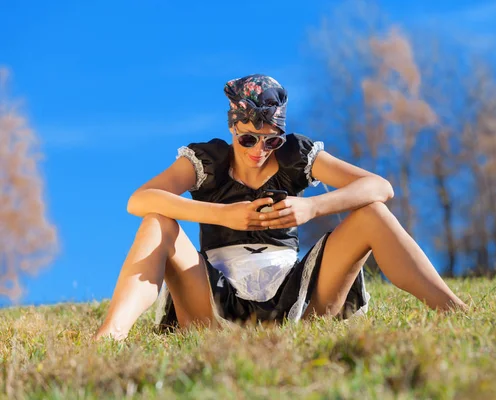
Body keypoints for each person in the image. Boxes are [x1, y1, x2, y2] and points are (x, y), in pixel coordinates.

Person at [93, 74, 466, 341]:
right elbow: (138, 200)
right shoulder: (205, 160)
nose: (259, 150)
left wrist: (313, 207)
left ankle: (453, 311)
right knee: (157, 222)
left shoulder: (296, 157)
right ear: (232, 130)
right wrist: (223, 214)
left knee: (373, 213)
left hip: (296, 295)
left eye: (270, 141)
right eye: (248, 139)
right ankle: (111, 335)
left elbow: (380, 187)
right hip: (210, 294)